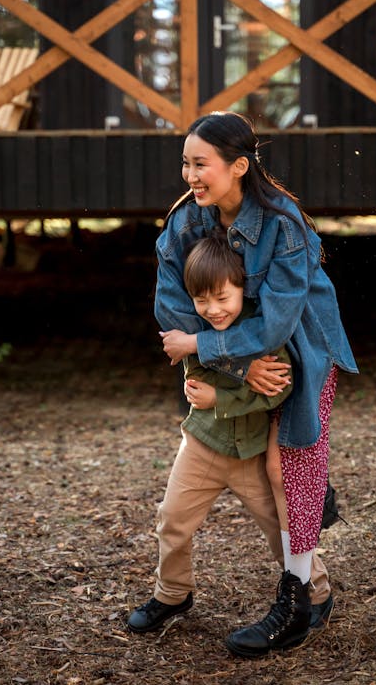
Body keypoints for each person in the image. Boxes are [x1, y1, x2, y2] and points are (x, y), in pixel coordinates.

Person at [153, 111, 358, 657]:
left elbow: (278, 324)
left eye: (202, 165)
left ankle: (296, 601)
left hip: (302, 354)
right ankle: (308, 539)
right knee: (269, 476)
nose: (191, 176)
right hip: (244, 365)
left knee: (283, 465)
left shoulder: (282, 223)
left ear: (238, 166)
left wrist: (202, 347)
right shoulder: (185, 223)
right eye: (186, 164)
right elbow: (172, 307)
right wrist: (240, 368)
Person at [127, 233, 294, 635]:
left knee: (279, 528)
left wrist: (223, 394)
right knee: (172, 519)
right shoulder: (192, 329)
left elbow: (277, 388)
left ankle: (314, 591)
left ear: (242, 289)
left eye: (223, 298)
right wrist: (235, 381)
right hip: (202, 445)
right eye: (203, 300)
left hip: (251, 450)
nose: (214, 310)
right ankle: (172, 592)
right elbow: (197, 380)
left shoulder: (263, 331)